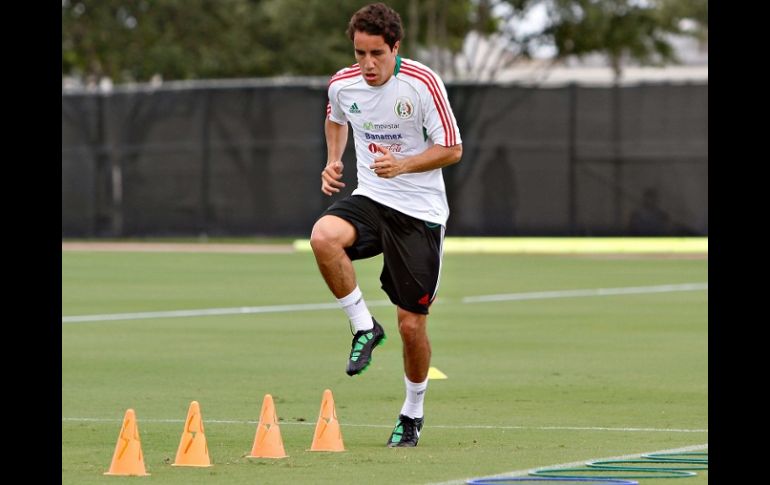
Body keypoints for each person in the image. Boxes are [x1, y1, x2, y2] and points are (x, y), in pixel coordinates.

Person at [309, 2, 462, 448]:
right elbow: (335, 119)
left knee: (412, 326)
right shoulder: (343, 84)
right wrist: (334, 160)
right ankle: (362, 326)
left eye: (377, 53)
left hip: (419, 213)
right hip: (372, 197)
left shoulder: (422, 83)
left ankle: (412, 411)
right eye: (360, 53)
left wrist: (406, 164)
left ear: (396, 47)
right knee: (323, 237)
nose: (368, 64)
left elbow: (451, 148)